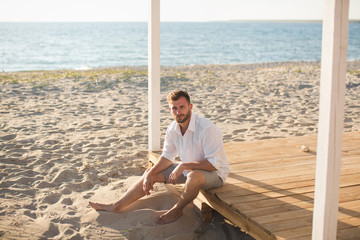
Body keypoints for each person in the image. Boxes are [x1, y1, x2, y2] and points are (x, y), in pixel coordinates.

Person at [89, 90, 229, 224]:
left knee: (193, 177)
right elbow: (167, 157)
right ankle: (116, 206)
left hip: (214, 174)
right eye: (174, 108)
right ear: (170, 109)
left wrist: (184, 165)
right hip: (188, 170)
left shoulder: (207, 129)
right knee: (150, 173)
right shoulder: (173, 128)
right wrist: (150, 173)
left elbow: (213, 164)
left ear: (190, 107)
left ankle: (177, 210)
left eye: (182, 107)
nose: (178, 112)